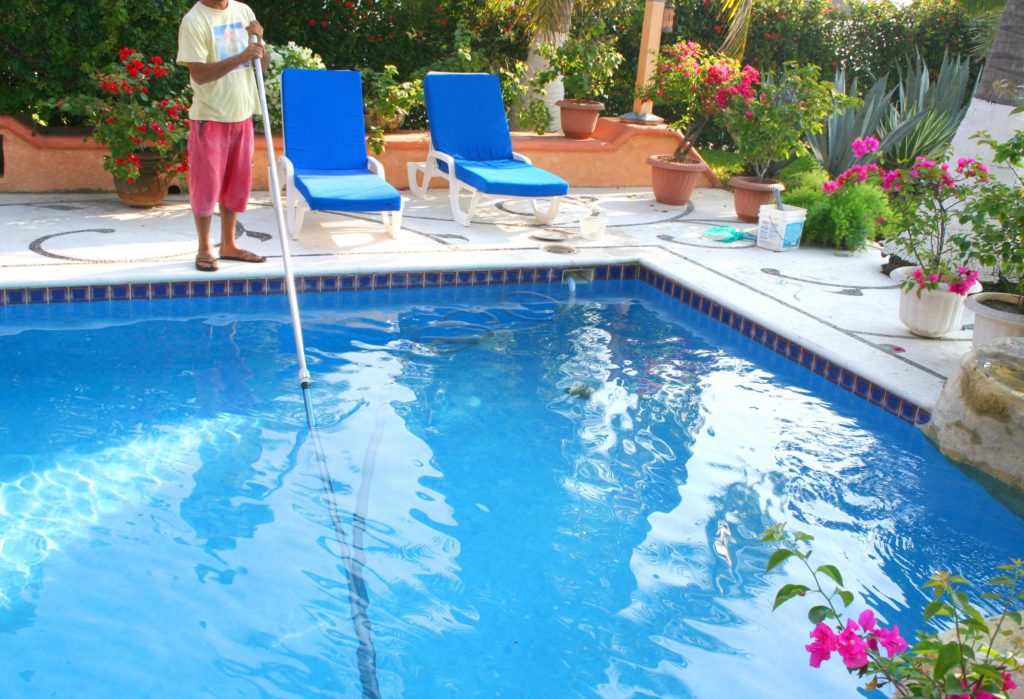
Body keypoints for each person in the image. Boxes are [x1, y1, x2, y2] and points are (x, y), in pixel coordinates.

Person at [177, 0, 269, 272]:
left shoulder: (244, 12)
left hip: (242, 115)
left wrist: (260, 43)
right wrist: (241, 55)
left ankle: (228, 245)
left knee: (237, 185)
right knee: (206, 185)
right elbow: (199, 74)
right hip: (210, 117)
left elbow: (261, 67)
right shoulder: (194, 21)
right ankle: (204, 248)